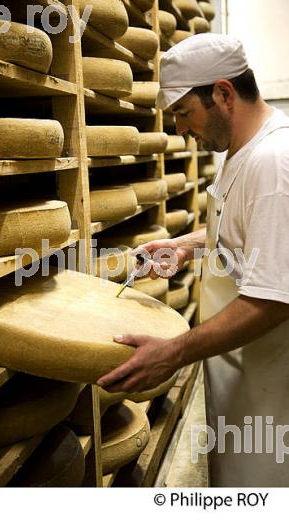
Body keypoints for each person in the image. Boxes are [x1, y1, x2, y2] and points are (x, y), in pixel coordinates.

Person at [97, 33, 289, 486]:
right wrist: (189, 244)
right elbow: (251, 230)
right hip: (240, 371)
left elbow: (275, 297)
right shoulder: (241, 149)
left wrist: (172, 353)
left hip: (271, 384)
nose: (180, 129)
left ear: (223, 94)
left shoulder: (273, 164)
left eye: (184, 113)